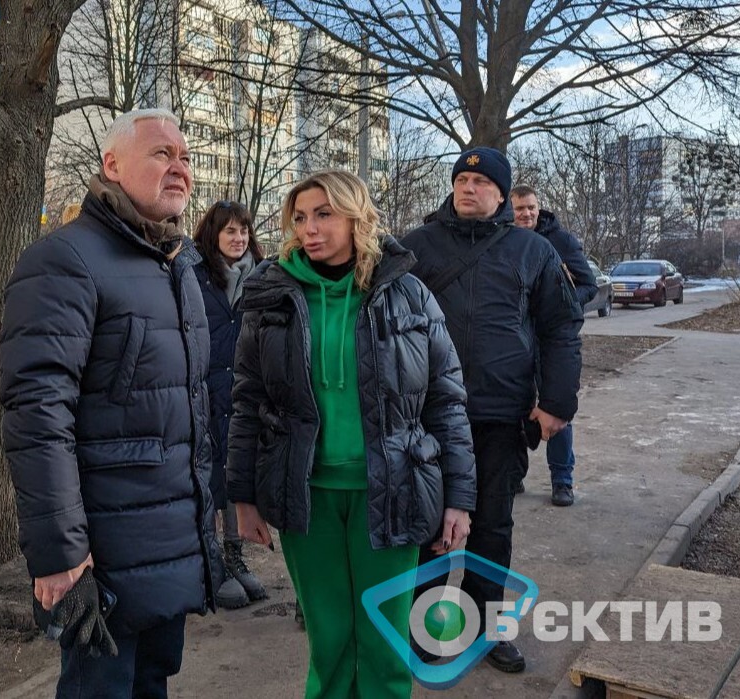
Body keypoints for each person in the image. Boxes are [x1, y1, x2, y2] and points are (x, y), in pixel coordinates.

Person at [0, 108, 223, 698]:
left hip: (167, 542)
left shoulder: (177, 267)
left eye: (185, 157)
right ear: (112, 164)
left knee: (152, 683)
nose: (179, 168)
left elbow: (188, 415)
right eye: (160, 154)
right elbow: (38, 417)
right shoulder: (65, 261)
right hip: (101, 555)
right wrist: (60, 555)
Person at [227, 170, 477, 698]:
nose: (309, 228)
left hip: (392, 492)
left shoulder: (408, 295)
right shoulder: (271, 297)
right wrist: (242, 497)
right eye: (299, 217)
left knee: (384, 643)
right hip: (307, 497)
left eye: (323, 214)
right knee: (330, 637)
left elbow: (446, 401)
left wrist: (459, 498)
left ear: (355, 216)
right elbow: (247, 402)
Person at [401, 148, 582, 673]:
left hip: (500, 416)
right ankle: (423, 628)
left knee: (492, 529)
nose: (468, 187)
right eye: (462, 178)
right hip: (426, 417)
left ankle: (487, 630)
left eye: (480, 180)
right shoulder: (418, 246)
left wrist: (556, 402)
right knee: (428, 528)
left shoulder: (532, 250)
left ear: (502, 194)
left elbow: (560, 328)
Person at [192, 200, 267, 609]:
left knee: (238, 476)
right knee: (208, 478)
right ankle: (212, 563)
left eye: (243, 231)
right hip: (205, 392)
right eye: (230, 232)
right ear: (214, 235)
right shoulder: (196, 276)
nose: (238, 239)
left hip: (243, 393)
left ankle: (235, 557)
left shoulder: (261, 277)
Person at [510, 184, 597, 507]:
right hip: (514, 341)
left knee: (556, 408)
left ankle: (562, 480)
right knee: (514, 409)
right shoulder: (504, 239)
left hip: (550, 342)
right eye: (519, 208)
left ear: (539, 208)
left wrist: (561, 304)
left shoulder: (560, 241)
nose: (526, 213)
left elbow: (588, 285)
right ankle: (514, 474)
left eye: (531, 207)